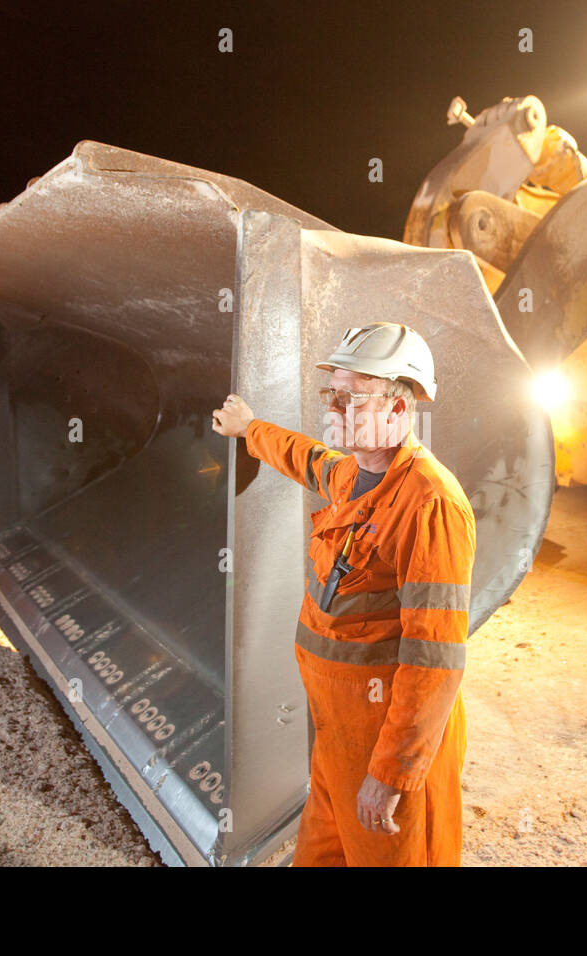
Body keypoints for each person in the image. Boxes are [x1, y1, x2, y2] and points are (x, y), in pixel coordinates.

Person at [211, 322, 476, 866]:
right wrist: (249, 428)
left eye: (351, 396)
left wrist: (391, 773)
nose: (333, 409)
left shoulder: (429, 505)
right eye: (330, 393)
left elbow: (434, 659)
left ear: (400, 411)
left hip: (382, 733)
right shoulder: (351, 473)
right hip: (336, 731)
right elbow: (302, 455)